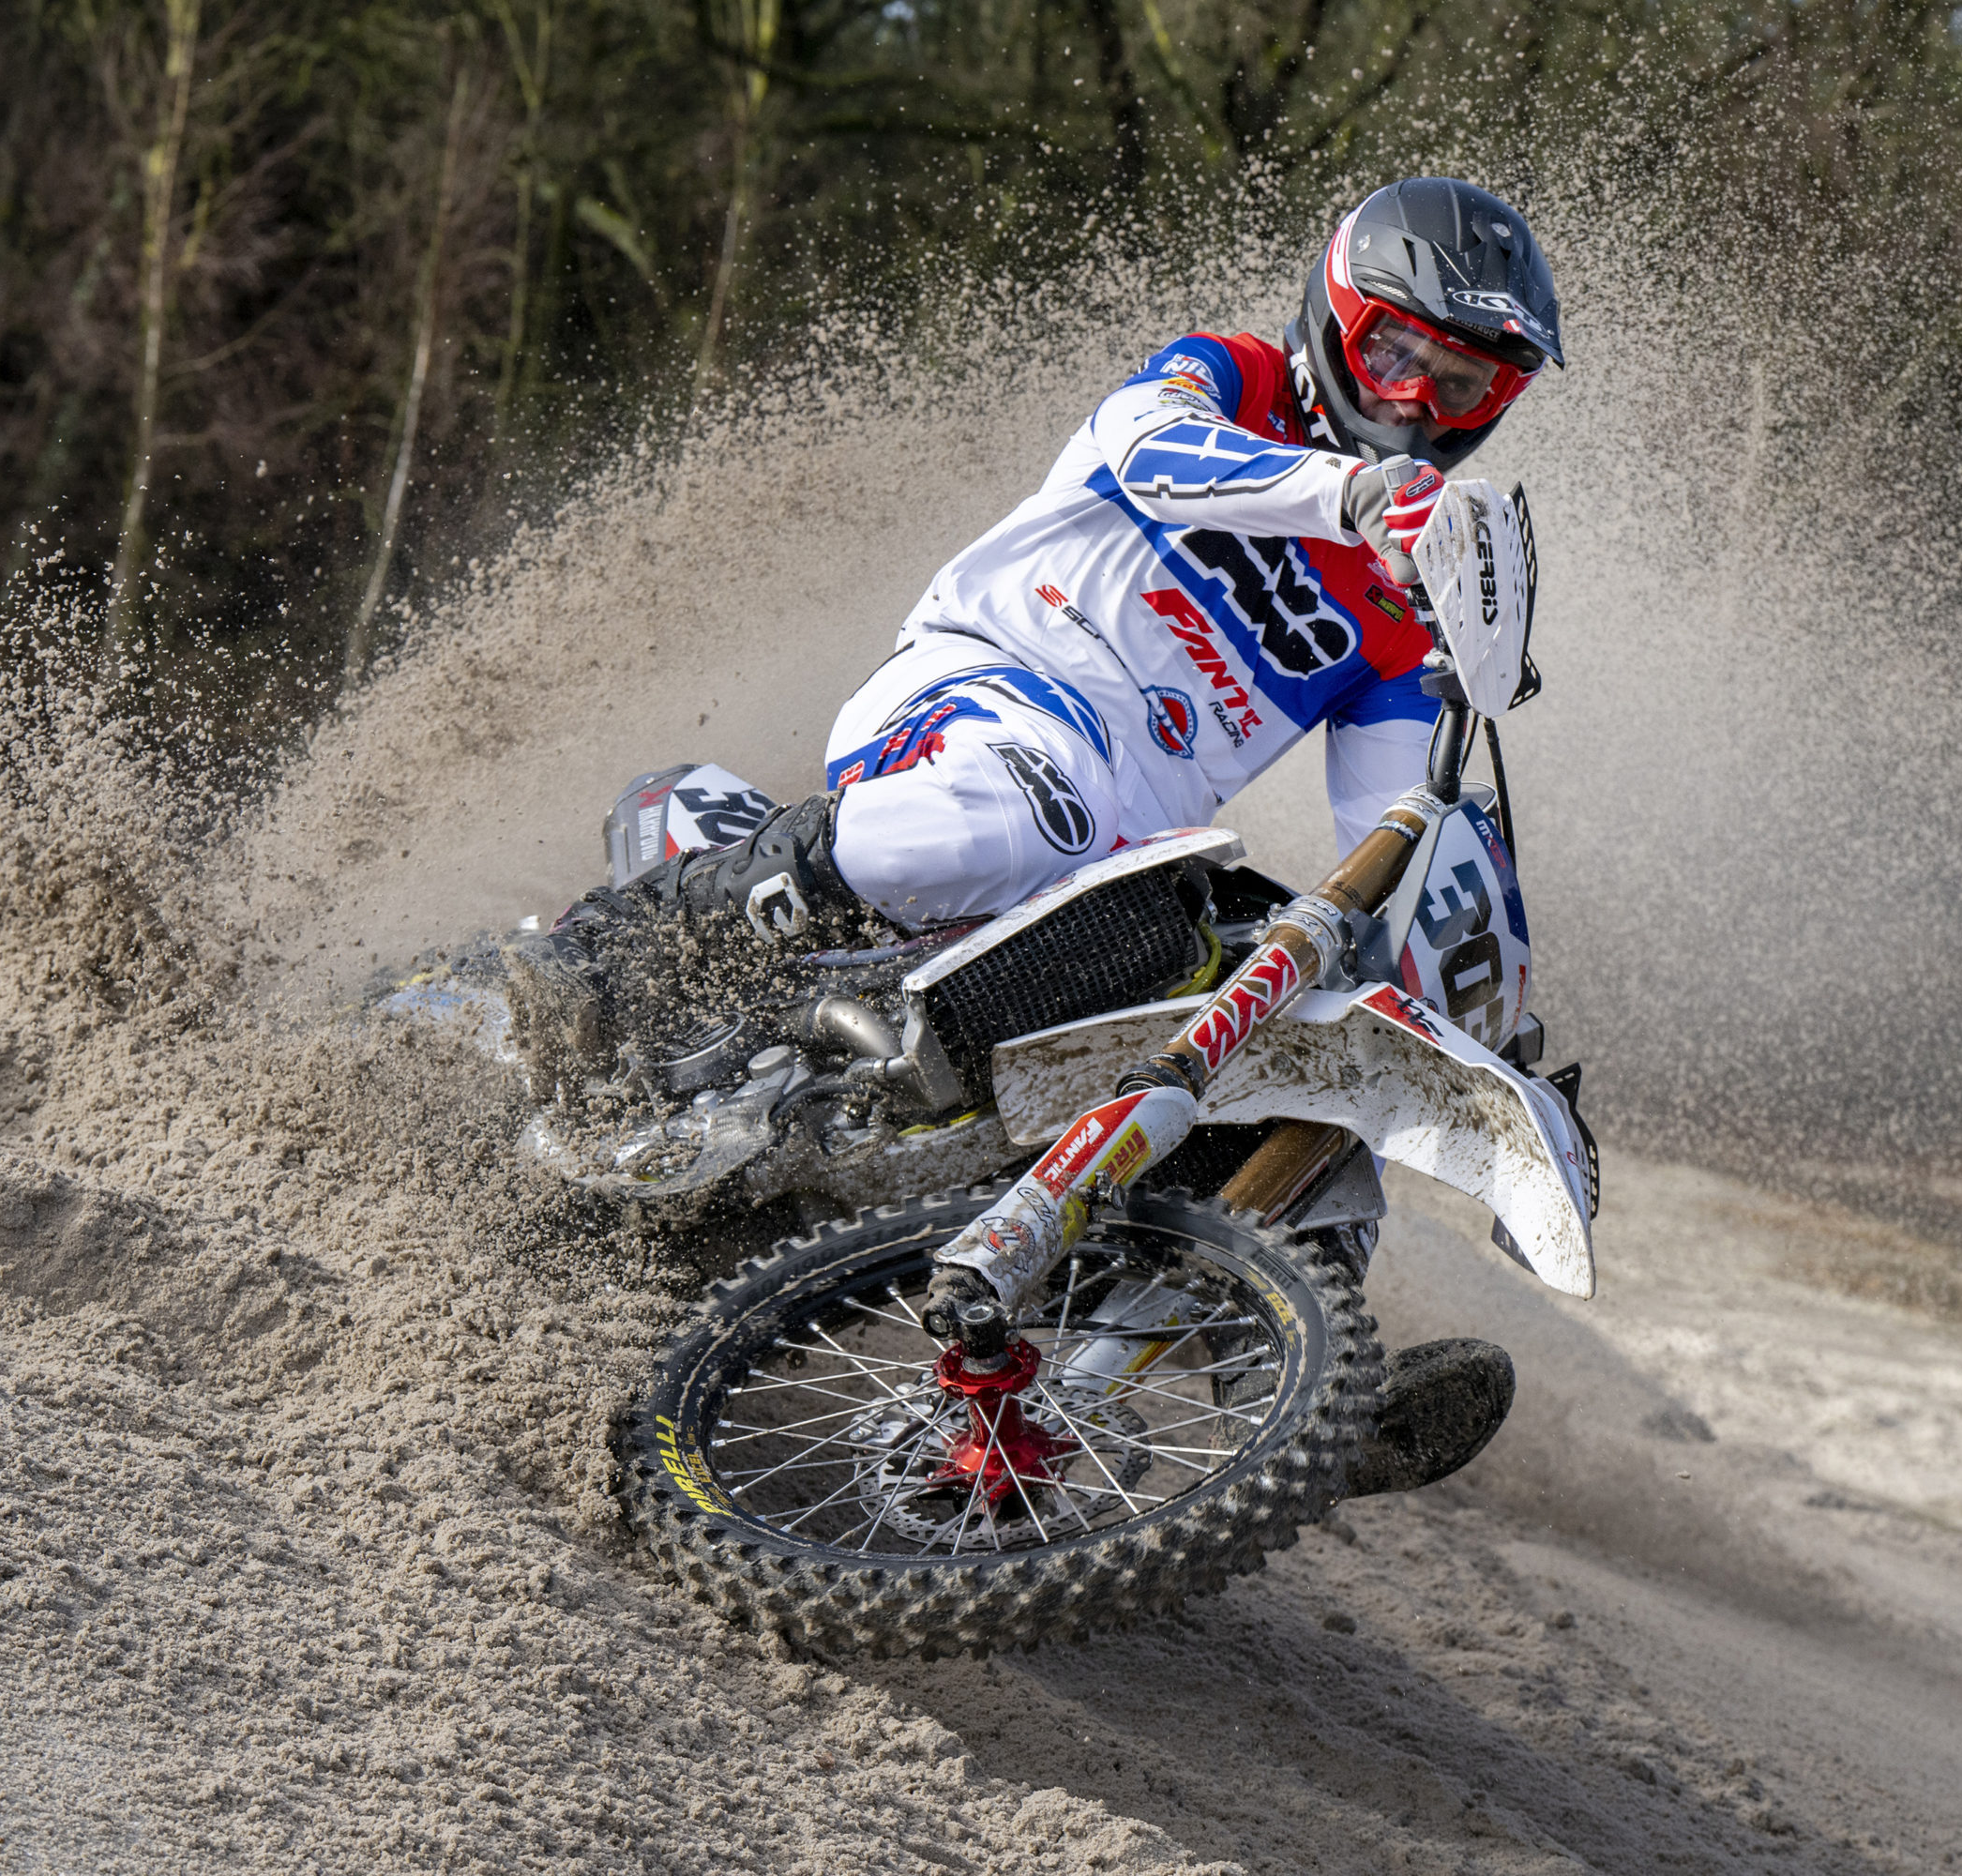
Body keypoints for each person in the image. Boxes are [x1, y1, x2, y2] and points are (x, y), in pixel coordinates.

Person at [515, 177, 1562, 1490]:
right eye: (1396, 354)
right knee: (1033, 805)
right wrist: (1351, 496)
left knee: (1319, 1018)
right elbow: (1147, 450)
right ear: (1332, 314)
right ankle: (620, 939)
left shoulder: (1400, 610)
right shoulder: (1228, 381)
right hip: (990, 690)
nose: (1418, 403)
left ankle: (1293, 1377)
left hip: (1127, 866)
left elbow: (1399, 826)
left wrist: (1483, 1004)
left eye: (1461, 387)